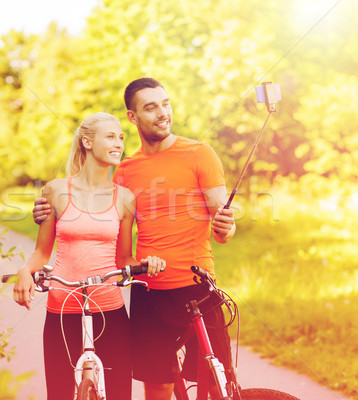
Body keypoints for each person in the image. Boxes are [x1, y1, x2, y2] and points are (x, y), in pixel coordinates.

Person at [33, 78, 236, 400]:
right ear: (133, 116)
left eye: (165, 103)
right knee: (156, 387)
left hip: (197, 285)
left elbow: (223, 224)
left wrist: (226, 226)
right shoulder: (125, 170)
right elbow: (101, 212)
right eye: (151, 107)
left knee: (215, 382)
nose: (162, 113)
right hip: (148, 290)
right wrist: (49, 211)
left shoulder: (200, 154)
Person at [13, 112, 166, 400]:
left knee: (119, 394)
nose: (119, 143)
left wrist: (148, 263)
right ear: (87, 141)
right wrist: (25, 272)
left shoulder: (124, 198)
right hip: (62, 308)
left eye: (121, 137)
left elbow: (124, 260)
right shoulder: (56, 190)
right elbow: (41, 252)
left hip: (110, 308)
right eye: (110, 136)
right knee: (58, 394)